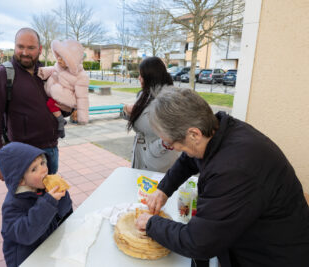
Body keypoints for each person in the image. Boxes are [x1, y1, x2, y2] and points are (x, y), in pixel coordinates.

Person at [135, 87, 309, 267]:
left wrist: (152, 224)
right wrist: (163, 190)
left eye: (170, 144)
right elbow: (189, 159)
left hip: (272, 256)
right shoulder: (218, 130)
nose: (174, 149)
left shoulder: (234, 169)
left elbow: (200, 242)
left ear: (194, 134)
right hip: (243, 238)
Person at [0, 28, 72, 181]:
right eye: (20, 47)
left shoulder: (48, 73)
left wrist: (70, 106)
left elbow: (59, 109)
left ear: (39, 49)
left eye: (30, 48)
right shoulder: (2, 75)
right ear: (14, 47)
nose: (25, 52)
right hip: (22, 153)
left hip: (50, 150)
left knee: (49, 199)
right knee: (24, 201)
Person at [0, 142, 72, 267]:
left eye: (42, 163)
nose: (43, 169)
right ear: (21, 180)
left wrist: (62, 195)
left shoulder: (42, 189)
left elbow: (64, 212)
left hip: (47, 248)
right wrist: (48, 203)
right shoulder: (12, 205)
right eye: (34, 169)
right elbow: (26, 234)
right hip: (25, 258)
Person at [122, 57, 180, 172]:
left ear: (150, 76)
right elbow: (140, 120)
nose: (138, 78)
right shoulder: (144, 94)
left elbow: (175, 132)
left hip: (159, 159)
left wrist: (157, 148)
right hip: (140, 154)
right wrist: (127, 111)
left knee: (156, 189)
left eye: (141, 75)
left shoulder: (170, 99)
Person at [37, 39, 89, 137]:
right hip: (51, 97)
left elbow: (83, 97)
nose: (59, 59)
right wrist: (43, 72)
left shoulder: (81, 76)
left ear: (71, 60)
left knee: (50, 103)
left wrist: (82, 116)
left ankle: (61, 121)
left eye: (62, 57)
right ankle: (60, 123)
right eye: (58, 56)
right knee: (48, 105)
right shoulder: (59, 66)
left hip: (64, 99)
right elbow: (53, 69)